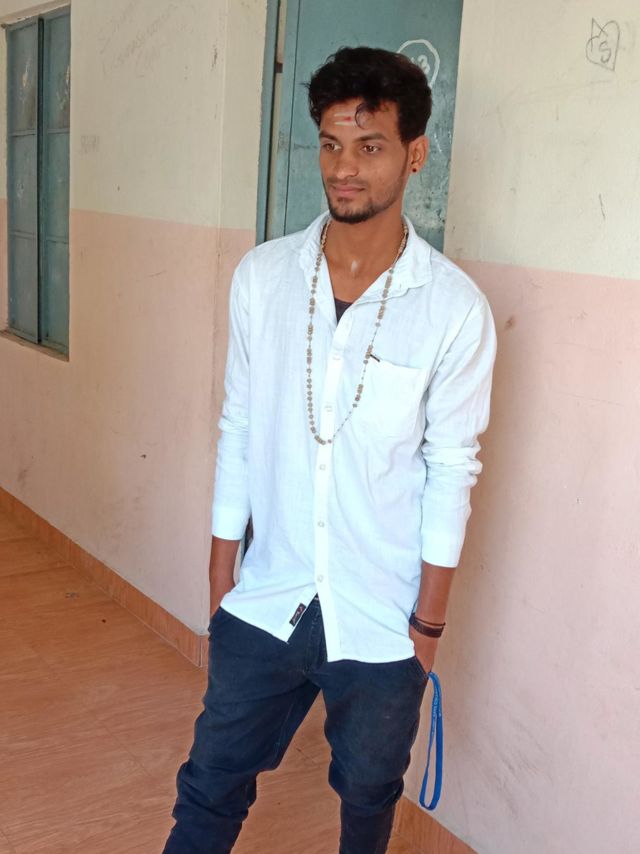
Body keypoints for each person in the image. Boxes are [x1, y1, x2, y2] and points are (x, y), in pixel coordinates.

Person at [162, 46, 497, 854]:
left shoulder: (453, 310)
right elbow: (239, 424)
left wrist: (426, 629)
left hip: (383, 616)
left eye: (370, 146)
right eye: (331, 144)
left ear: (414, 154)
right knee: (210, 784)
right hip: (264, 595)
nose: (344, 168)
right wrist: (221, 578)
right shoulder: (263, 277)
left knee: (369, 795)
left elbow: (451, 470)